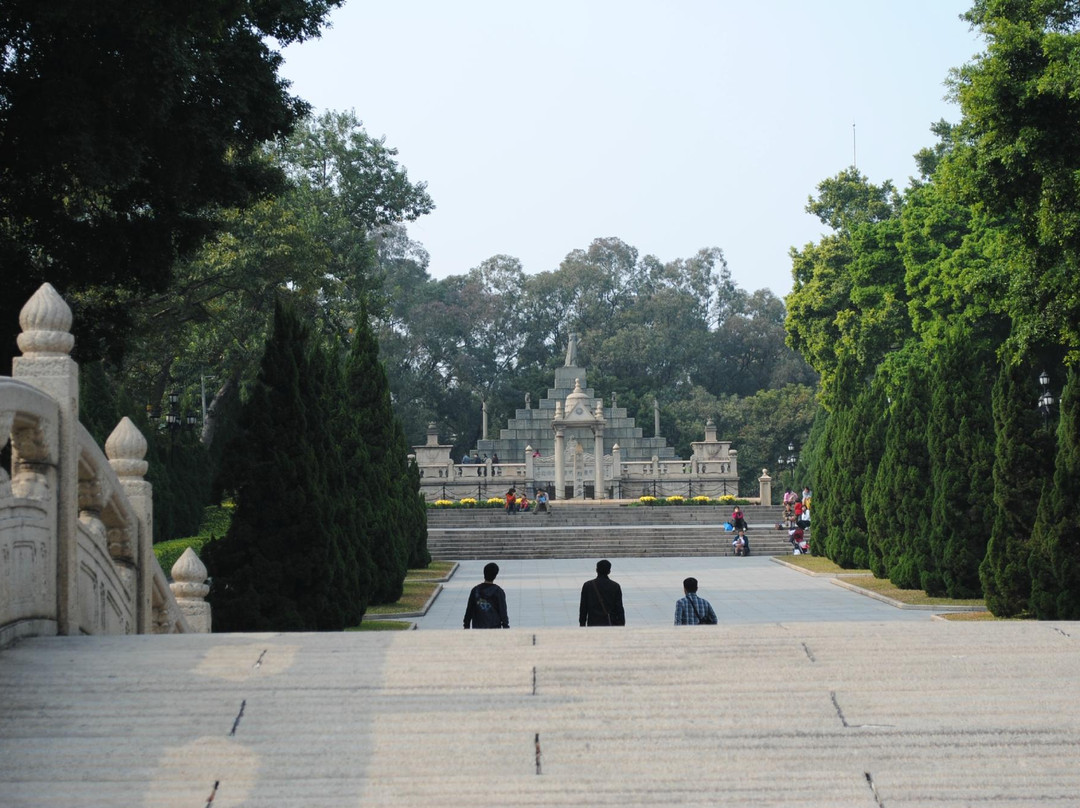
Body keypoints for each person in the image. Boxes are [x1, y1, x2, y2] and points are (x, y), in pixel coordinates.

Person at [463, 562, 509, 629]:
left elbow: (469, 611)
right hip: (494, 629)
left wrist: (466, 626)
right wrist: (506, 627)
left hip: (478, 628)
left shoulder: (475, 590)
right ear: (495, 575)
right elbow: (503, 613)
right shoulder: (499, 592)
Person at [579, 559, 625, 626]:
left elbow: (583, 607)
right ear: (609, 571)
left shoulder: (588, 585)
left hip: (593, 622)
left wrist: (582, 624)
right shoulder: (615, 586)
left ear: (596, 570)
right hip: (611, 622)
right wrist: (621, 624)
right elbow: (619, 608)